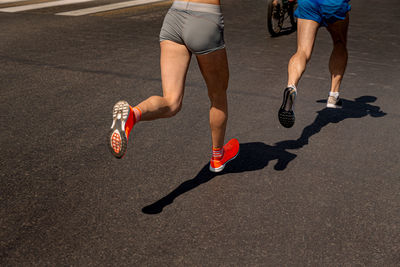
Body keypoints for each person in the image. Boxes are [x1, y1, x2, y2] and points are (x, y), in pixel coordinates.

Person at [108, 0, 239, 173]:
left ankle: (132, 115)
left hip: (174, 17)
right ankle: (217, 156)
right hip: (204, 18)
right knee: (218, 95)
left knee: (171, 102)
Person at [278, 0, 351, 128]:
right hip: (334, 4)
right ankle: (333, 95)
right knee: (339, 43)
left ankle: (291, 86)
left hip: (310, 3)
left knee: (302, 51)